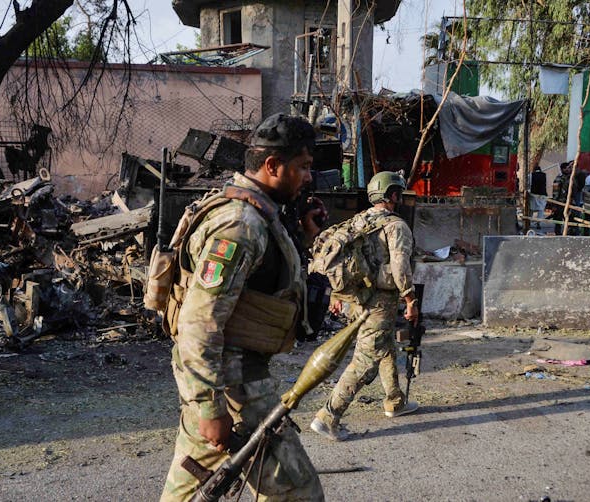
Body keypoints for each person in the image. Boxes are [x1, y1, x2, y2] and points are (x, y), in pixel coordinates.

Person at [160, 113, 327, 501]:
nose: (308, 178)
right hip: (234, 385)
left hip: (230, 377)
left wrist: (302, 236)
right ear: (272, 165)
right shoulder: (240, 225)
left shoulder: (258, 213)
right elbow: (199, 322)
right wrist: (209, 406)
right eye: (302, 167)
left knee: (191, 485)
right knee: (300, 492)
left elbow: (260, 286)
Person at [310, 171, 419, 442]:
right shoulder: (396, 226)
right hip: (380, 300)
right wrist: (410, 300)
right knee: (367, 358)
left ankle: (395, 401)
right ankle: (328, 416)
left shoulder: (360, 220)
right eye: (399, 193)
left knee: (384, 347)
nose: (400, 198)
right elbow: (400, 266)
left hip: (357, 297)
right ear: (393, 195)